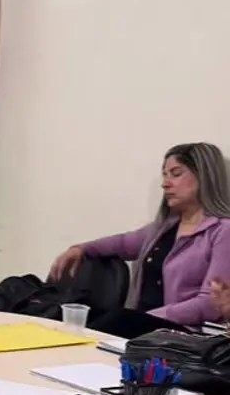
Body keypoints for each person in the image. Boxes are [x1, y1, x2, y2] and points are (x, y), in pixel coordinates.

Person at [49, 142, 230, 335]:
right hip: (142, 324)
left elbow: (210, 303)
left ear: (204, 177)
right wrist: (79, 249)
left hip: (179, 333)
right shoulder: (165, 228)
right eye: (165, 174)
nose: (165, 183)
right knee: (80, 318)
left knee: (113, 323)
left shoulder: (222, 231)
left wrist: (152, 316)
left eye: (176, 174)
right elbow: (122, 243)